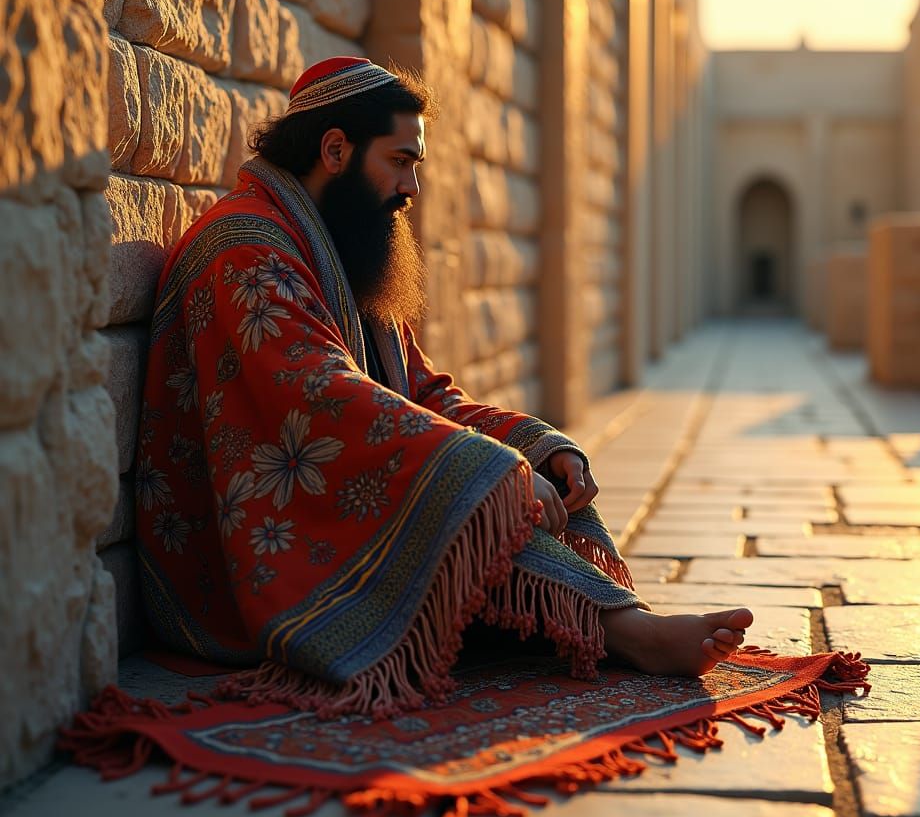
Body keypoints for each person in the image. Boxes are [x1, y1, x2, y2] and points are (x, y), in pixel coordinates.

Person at [136, 56, 753, 717]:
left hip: (330, 492)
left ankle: (615, 622)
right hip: (239, 564)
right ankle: (634, 637)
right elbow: (321, 395)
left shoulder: (340, 246)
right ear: (336, 150)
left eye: (416, 166)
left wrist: (536, 450)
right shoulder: (243, 248)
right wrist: (499, 476)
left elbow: (424, 396)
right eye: (401, 162)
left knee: (501, 482)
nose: (412, 188)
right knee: (472, 489)